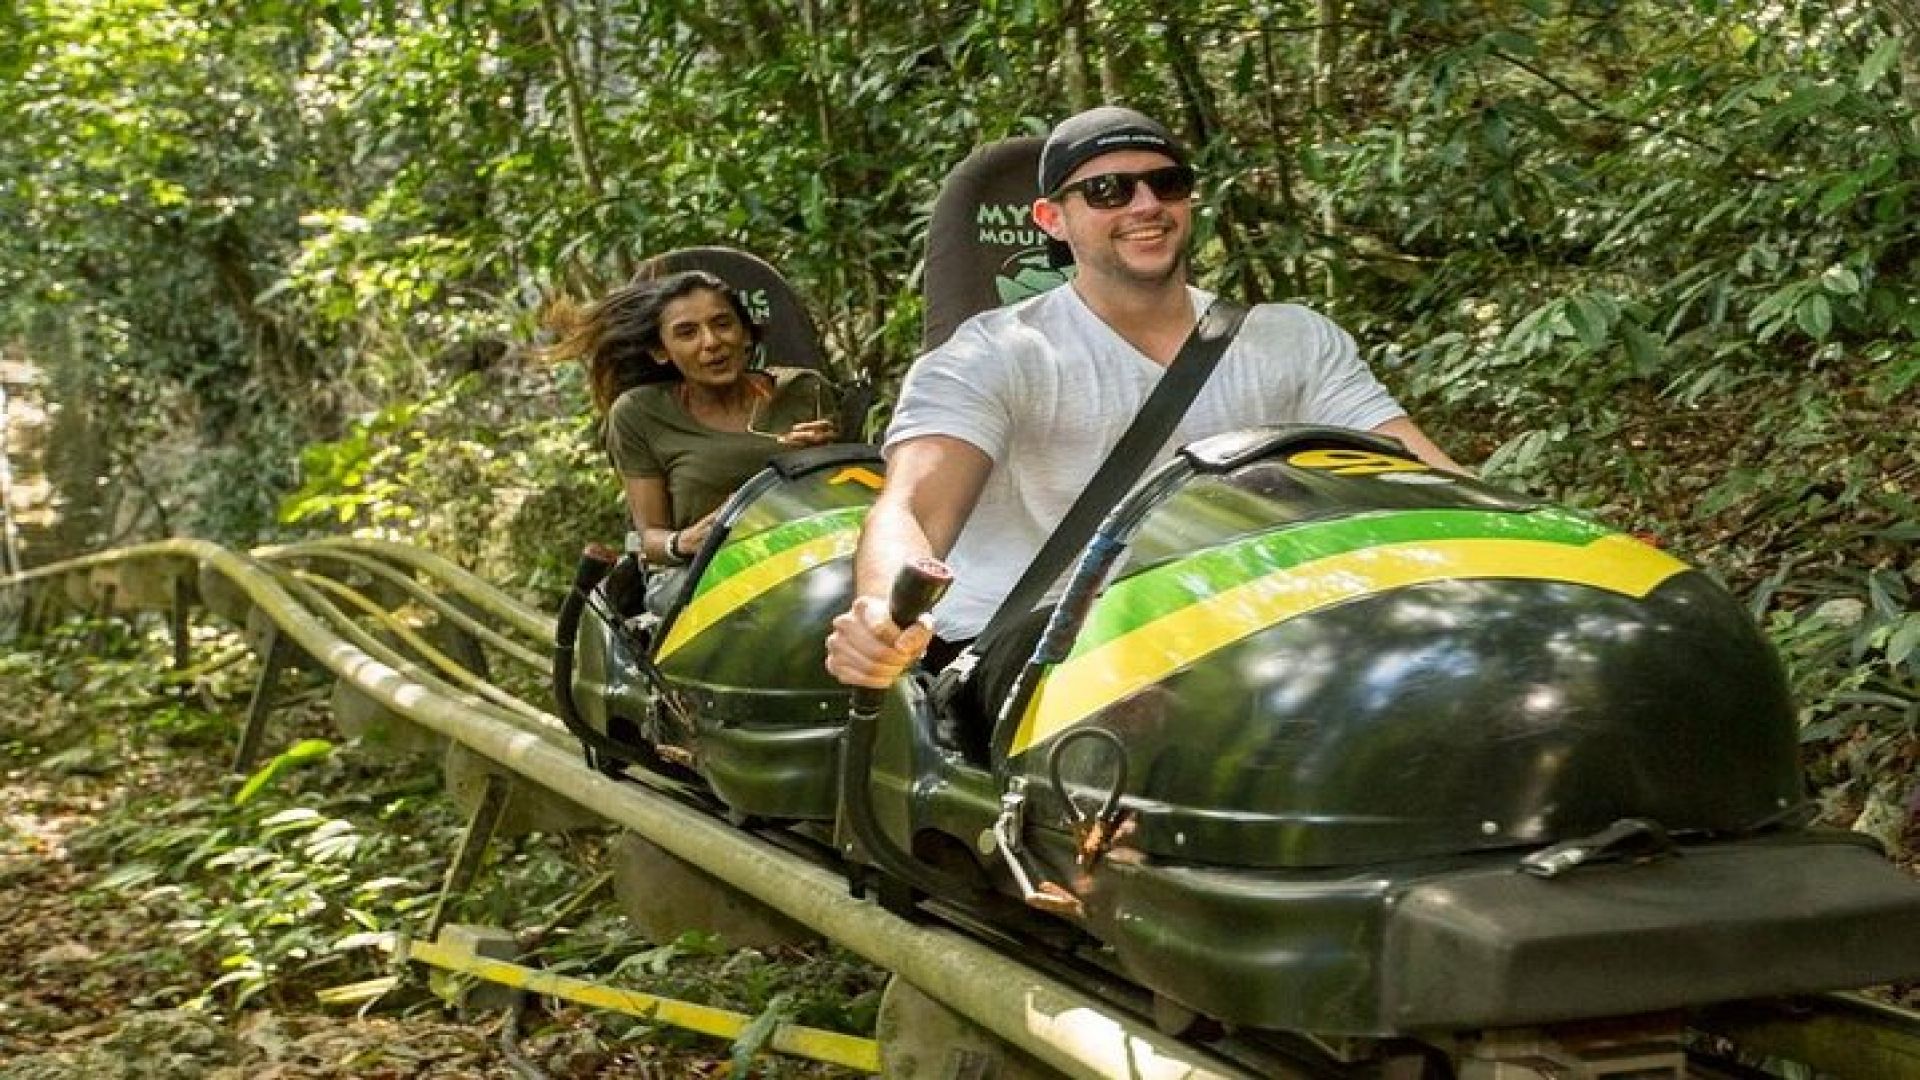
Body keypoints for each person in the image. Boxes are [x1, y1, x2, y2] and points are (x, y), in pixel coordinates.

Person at [825, 105, 1462, 693]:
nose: (1146, 204)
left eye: (1168, 183)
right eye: (1108, 190)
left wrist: (1535, 540)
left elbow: (1423, 474)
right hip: (1035, 645)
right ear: (1053, 218)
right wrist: (882, 614)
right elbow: (913, 507)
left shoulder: (1292, 339)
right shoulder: (994, 352)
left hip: (1244, 636)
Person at [546, 270, 840, 606]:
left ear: (745, 333)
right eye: (687, 333)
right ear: (661, 351)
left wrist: (825, 457)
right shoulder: (639, 413)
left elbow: (845, 497)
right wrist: (684, 541)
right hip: (696, 580)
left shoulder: (805, 389)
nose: (711, 342)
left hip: (808, 563)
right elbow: (649, 537)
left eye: (722, 324)